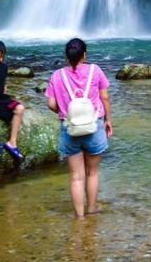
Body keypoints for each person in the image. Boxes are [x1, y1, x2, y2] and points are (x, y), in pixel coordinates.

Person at [46, 37, 112, 219]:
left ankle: (80, 218)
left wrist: (63, 110)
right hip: (94, 126)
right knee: (93, 173)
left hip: (70, 127)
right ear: (84, 55)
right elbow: (104, 98)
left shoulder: (56, 76)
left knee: (76, 176)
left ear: (66, 57)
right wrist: (108, 120)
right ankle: (91, 208)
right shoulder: (95, 70)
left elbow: (51, 103)